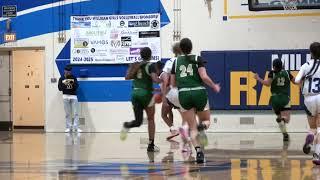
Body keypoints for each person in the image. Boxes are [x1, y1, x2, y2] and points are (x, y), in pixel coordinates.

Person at [170, 38, 220, 163]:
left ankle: (198, 152)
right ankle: (202, 126)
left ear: (181, 49)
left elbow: (173, 83)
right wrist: (214, 86)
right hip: (198, 92)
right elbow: (204, 76)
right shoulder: (198, 59)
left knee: (192, 128)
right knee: (206, 121)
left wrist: (183, 83)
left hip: (184, 94)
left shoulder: (175, 62)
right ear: (191, 47)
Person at [120, 47, 162, 152]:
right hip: (146, 96)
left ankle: (127, 125)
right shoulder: (150, 65)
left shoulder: (135, 65)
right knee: (151, 119)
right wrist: (165, 79)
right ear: (150, 55)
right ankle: (151, 145)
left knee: (138, 122)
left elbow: (127, 77)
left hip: (135, 94)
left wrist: (153, 88)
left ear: (141, 55)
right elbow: (155, 79)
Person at [254, 59, 296, 141]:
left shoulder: (271, 73)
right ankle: (283, 120)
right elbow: (296, 81)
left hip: (274, 99)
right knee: (286, 120)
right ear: (282, 65)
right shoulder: (287, 73)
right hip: (284, 98)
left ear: (273, 66)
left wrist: (258, 78)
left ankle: (285, 134)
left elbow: (267, 84)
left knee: (279, 117)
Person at [294, 42, 320, 165]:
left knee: (313, 127)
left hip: (308, 98)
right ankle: (317, 155)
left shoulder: (306, 65)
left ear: (311, 52)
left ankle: (310, 137)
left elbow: (297, 80)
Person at [159, 42, 182, 140]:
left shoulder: (170, 62)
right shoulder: (187, 62)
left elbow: (166, 80)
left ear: (173, 51)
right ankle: (183, 133)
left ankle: (173, 129)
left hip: (171, 93)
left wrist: (164, 96)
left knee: (164, 114)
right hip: (185, 92)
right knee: (185, 116)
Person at [58, 65, 81, 133]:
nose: (68, 72)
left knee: (76, 112)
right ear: (64, 71)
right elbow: (59, 88)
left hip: (73, 96)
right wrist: (65, 83)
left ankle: (76, 127)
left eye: (69, 71)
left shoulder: (74, 78)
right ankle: (68, 127)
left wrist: (71, 83)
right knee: (67, 113)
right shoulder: (61, 78)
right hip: (65, 96)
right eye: (67, 71)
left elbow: (76, 86)